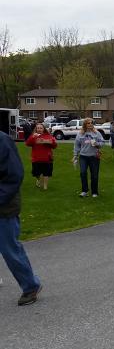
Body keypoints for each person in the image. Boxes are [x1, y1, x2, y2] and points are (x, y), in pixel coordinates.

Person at [0, 130, 43, 306]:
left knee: (9, 248)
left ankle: (30, 286)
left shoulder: (2, 141)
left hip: (4, 205)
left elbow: (14, 175)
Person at [73, 118, 104, 198]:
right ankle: (84, 191)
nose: (90, 124)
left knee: (94, 175)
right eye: (88, 123)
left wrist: (97, 144)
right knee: (83, 173)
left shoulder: (96, 133)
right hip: (83, 157)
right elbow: (77, 145)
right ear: (85, 124)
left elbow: (102, 142)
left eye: (91, 123)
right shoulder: (80, 134)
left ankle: (94, 192)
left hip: (94, 157)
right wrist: (75, 155)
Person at [25, 123, 57, 190]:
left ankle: (45, 186)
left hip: (47, 158)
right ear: (36, 129)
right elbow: (27, 144)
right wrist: (33, 137)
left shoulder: (48, 136)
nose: (39, 129)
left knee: (46, 173)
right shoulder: (33, 136)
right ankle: (38, 180)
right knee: (36, 173)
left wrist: (49, 142)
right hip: (36, 158)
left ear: (43, 129)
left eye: (41, 128)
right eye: (38, 128)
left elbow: (54, 146)